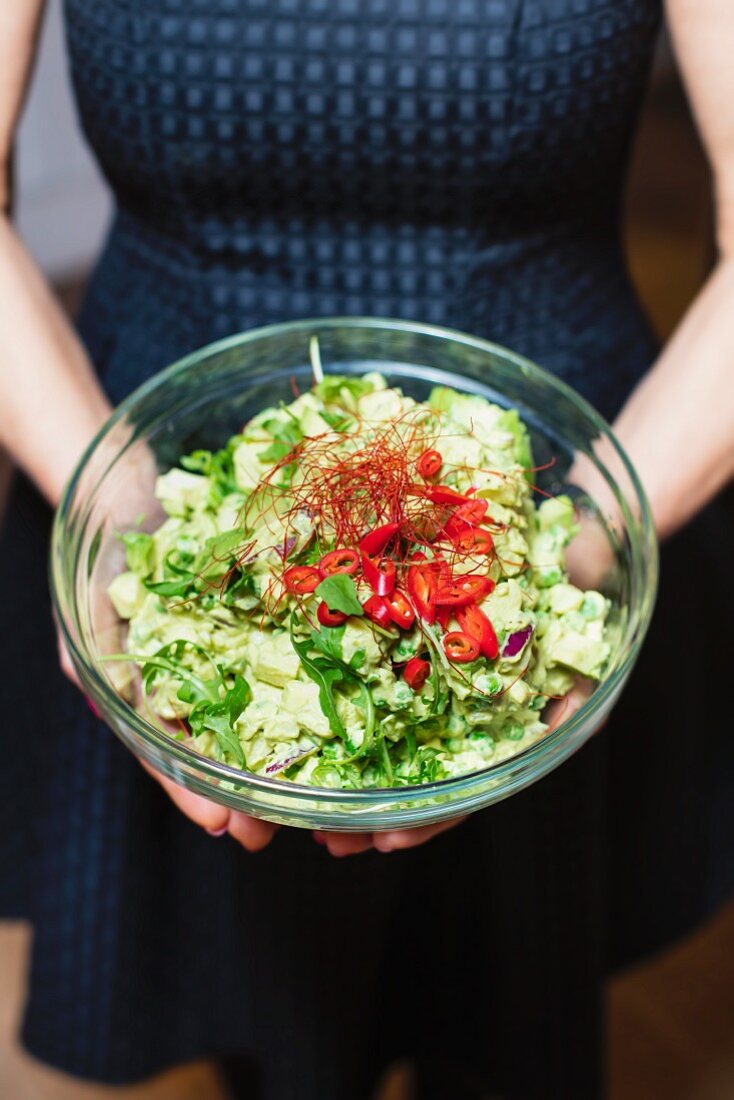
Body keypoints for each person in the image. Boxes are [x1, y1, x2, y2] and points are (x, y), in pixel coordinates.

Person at [1, 1, 732, 1097]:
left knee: (501, 1017)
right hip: (139, 449)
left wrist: (583, 539)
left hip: (581, 466)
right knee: (244, 1000)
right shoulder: (135, 505)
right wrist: (116, 506)